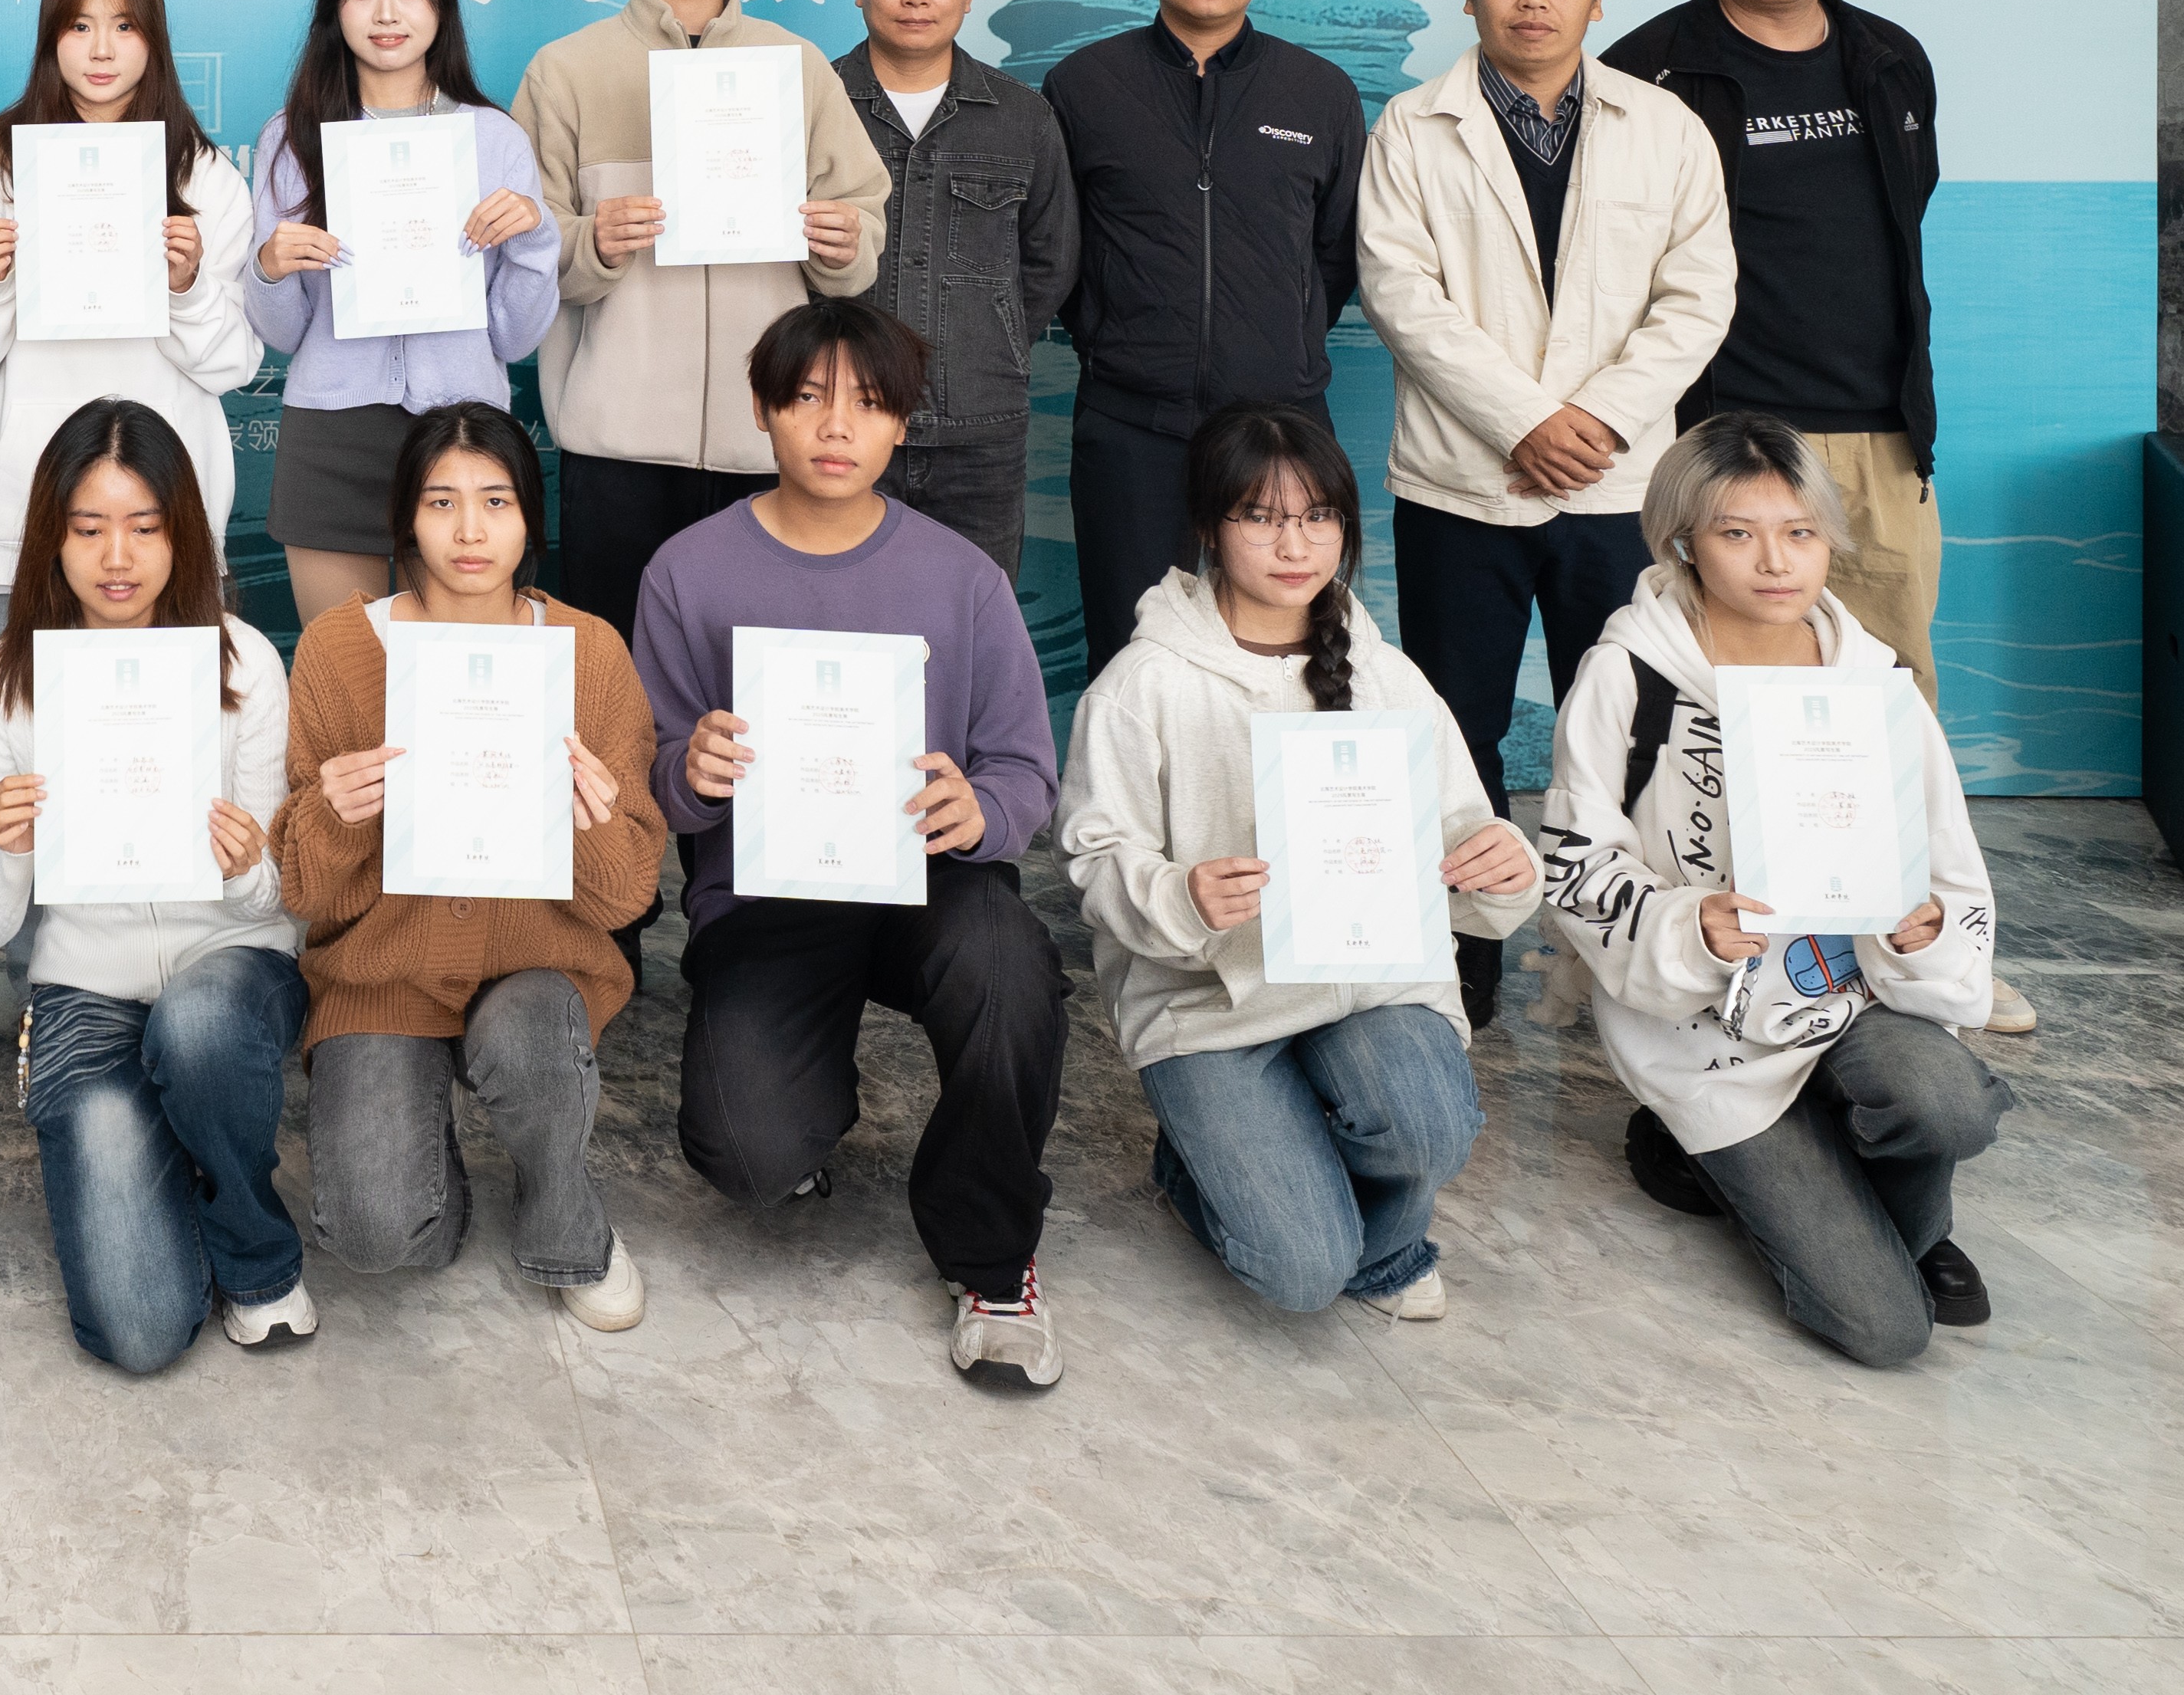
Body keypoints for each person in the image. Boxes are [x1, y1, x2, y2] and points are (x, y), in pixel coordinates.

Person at [1604, 0, 2026, 1032]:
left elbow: (1906, 215)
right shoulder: (1649, 68)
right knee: (1712, 709)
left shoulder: (1888, 58)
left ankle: (1926, 953)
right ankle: (1686, 947)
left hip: (1878, 432)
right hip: (1721, 436)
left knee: (1893, 702)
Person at [632, 298, 1072, 1388]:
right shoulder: (688, 571)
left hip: (932, 881)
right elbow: (651, 771)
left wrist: (982, 811)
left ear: (901, 426)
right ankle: (805, 1102)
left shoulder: (961, 578)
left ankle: (991, 1257)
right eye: (807, 399)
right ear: (762, 411)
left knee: (1010, 965)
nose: (837, 427)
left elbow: (1025, 768)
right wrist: (689, 770)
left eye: (869, 405)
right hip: (767, 894)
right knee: (746, 1152)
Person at [1539, 414, 2009, 1367]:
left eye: (1799, 532)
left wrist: (1924, 934)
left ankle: (1886, 1204)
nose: (1774, 561)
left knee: (1947, 1104)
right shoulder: (1631, 674)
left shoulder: (1874, 682)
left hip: (1856, 994)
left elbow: (1951, 865)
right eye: (1736, 532)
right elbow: (1575, 863)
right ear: (1684, 541)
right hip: (1706, 1025)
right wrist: (1688, 925)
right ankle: (1699, 1150)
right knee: (1884, 1330)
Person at [1056, 401, 1539, 1325]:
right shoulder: (1143, 684)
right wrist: (1179, 894)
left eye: (1318, 517)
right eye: (1260, 517)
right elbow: (1091, 853)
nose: (1294, 545)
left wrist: (1502, 862)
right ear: (1209, 526)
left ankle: (1388, 1248)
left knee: (1428, 1125)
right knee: (1299, 1273)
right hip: (1211, 1005)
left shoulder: (1385, 674)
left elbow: (1461, 823)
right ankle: (1193, 1162)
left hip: (1370, 984)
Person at [1358, 0, 1732, 1028]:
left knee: (1618, 721)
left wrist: (1598, 421)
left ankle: (1611, 947)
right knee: (1456, 724)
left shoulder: (1663, 126)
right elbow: (1400, 292)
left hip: (1616, 483)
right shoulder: (1412, 125)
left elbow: (1697, 294)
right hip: (1461, 478)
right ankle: (1464, 947)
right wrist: (1522, 420)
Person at [273, 402, 664, 1329]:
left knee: (527, 1036)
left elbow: (624, 899)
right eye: (441, 502)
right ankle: (432, 1154)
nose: (470, 531)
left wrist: (593, 822)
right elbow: (303, 890)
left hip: (539, 967)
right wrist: (331, 813)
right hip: (383, 975)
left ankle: (566, 1216)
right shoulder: (338, 649)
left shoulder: (588, 654)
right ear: (406, 518)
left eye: (496, 501)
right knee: (375, 1234)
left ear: (530, 518)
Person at [0, 398, 308, 1369]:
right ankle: (170, 1125)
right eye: (88, 529)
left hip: (230, 966)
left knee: (197, 1028)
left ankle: (256, 1255)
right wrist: (9, 848)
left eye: (144, 528)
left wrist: (245, 868)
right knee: (141, 1333)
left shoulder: (243, 662)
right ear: (50, 537)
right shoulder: (1, 681)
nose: (117, 558)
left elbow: (285, 901)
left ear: (182, 532)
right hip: (85, 987)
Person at [511, 0, 888, 640]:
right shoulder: (565, 71)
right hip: (616, 445)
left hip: (768, 442)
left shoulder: (794, 65)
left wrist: (842, 245)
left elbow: (861, 226)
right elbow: (526, 251)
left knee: (754, 676)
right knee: (615, 673)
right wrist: (591, 243)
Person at [1045, 0, 1364, 675]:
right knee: (1131, 651)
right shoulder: (1083, 86)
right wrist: (1111, 335)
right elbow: (1058, 246)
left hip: (1282, 422)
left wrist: (1282, 338)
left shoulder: (1318, 92)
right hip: (1130, 423)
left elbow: (1336, 252)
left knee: (1288, 647)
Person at [0, 0, 258, 632]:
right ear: (51, 37)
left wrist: (187, 287)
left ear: (153, 38)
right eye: (79, 26)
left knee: (169, 699)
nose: (101, 50)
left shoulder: (203, 175)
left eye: (124, 26)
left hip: (163, 508)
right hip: (26, 497)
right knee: (26, 697)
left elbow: (232, 365)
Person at [248, 0, 562, 624]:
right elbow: (283, 334)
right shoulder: (290, 138)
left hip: (462, 437)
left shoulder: (493, 138)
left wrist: (533, 239)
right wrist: (269, 268)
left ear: (440, 4)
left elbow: (514, 337)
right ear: (335, 6)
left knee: (452, 668)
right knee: (343, 666)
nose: (386, 12)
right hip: (331, 431)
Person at [829, 0, 1077, 578]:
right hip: (836, 429)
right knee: (837, 621)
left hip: (979, 434)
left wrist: (986, 336)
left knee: (972, 623)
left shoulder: (1023, 117)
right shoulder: (811, 104)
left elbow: (1050, 262)